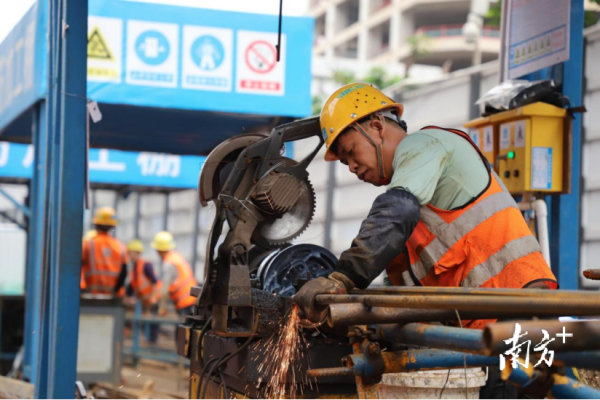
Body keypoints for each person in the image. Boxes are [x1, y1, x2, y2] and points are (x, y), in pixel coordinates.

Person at [294, 83, 558, 398]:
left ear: (377, 127)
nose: (351, 167)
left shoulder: (425, 146)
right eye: (343, 162)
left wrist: (341, 279)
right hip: (480, 330)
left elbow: (396, 211)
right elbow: (406, 294)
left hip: (516, 311)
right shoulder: (410, 210)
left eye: (350, 152)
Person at [81, 207, 128, 296]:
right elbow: (124, 272)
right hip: (112, 296)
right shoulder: (121, 247)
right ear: (113, 226)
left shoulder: (88, 244)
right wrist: (115, 290)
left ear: (96, 224)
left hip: (91, 294)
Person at [151, 231, 198, 317]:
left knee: (184, 328)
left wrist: (162, 308)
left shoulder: (168, 264)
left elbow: (164, 290)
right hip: (192, 296)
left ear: (158, 249)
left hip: (185, 301)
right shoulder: (176, 257)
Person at [126, 239, 161, 343]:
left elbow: (154, 281)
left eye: (130, 252)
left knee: (153, 320)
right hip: (144, 299)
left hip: (152, 298)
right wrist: (127, 296)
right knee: (143, 321)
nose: (129, 255)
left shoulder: (145, 265)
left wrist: (153, 297)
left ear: (137, 252)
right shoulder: (134, 267)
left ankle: (152, 342)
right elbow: (132, 285)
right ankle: (146, 340)